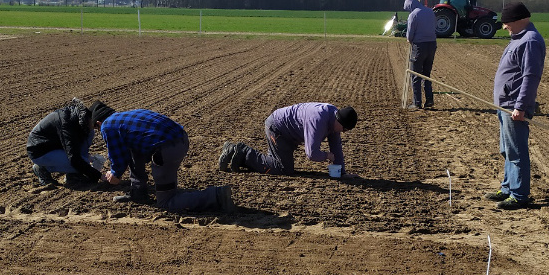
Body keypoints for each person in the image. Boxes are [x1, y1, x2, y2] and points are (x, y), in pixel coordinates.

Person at [90, 101, 235, 213]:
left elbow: (118, 158)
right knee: (134, 151)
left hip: (167, 150)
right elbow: (131, 152)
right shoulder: (125, 117)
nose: (99, 131)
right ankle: (138, 192)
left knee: (167, 202)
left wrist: (114, 175)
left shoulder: (107, 126)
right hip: (181, 139)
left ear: (98, 123)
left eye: (96, 128)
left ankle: (217, 196)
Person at [484, 2, 545, 210]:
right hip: (505, 105)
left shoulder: (530, 41)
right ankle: (508, 187)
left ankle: (519, 195)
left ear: (520, 20)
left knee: (517, 152)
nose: (504, 27)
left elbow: (530, 77)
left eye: (507, 23)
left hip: (514, 107)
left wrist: (520, 106)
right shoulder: (519, 38)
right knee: (507, 150)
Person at [218, 103, 358, 178]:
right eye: (344, 129)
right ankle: (242, 152)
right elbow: (311, 153)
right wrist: (327, 156)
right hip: (278, 128)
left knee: (279, 165)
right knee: (282, 168)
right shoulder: (319, 120)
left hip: (289, 133)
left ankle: (241, 157)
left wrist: (342, 173)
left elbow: (336, 146)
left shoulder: (334, 119)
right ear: (339, 120)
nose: (343, 132)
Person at [26, 97, 101, 188]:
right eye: (96, 125)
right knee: (82, 161)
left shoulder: (81, 119)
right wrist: (99, 176)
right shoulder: (68, 124)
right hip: (40, 150)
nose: (97, 128)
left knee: (89, 134)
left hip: (55, 145)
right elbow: (74, 158)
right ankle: (43, 168)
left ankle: (74, 175)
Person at [404, 0, 437, 109]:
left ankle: (417, 102)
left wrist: (410, 40)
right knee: (426, 74)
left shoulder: (413, 15)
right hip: (432, 45)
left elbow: (409, 36)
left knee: (416, 74)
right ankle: (429, 100)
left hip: (419, 47)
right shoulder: (430, 12)